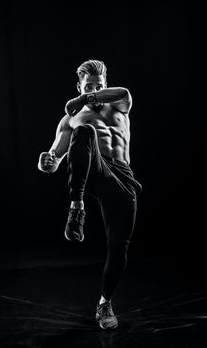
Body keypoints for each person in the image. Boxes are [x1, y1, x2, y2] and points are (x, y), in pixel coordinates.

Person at [38, 59, 142, 330]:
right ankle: (76, 208)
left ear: (104, 85)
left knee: (120, 246)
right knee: (84, 131)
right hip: (92, 170)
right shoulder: (71, 119)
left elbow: (125, 94)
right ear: (78, 85)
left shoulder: (118, 104)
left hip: (121, 177)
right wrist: (46, 162)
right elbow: (55, 158)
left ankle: (104, 303)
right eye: (87, 86)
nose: (94, 90)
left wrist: (85, 96)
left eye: (98, 86)